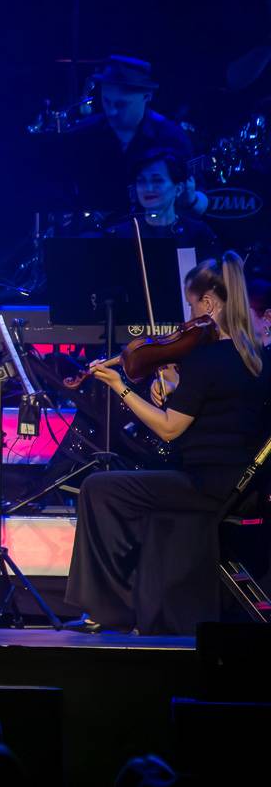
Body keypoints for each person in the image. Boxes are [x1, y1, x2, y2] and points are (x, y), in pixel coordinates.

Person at [66, 252, 271, 634]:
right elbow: (221, 409)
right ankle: (142, 600)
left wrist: (121, 387)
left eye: (192, 306)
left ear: (208, 303)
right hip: (244, 486)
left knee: (99, 488)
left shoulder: (207, 360)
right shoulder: (257, 357)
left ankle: (109, 609)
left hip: (208, 486)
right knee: (140, 485)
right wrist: (177, 390)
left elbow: (169, 429)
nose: (188, 318)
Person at [60, 56, 207, 219]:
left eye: (121, 104)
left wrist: (190, 200)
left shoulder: (170, 137)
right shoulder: (84, 133)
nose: (111, 111)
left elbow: (200, 204)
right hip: (91, 231)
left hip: (152, 231)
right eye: (106, 101)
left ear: (146, 97)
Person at [98, 148, 219, 256]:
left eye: (157, 181)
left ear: (178, 188)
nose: (148, 188)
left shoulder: (198, 234)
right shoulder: (120, 235)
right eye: (141, 181)